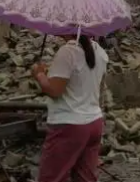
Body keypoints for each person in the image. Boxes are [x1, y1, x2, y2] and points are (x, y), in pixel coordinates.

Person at [32, 33, 109, 182]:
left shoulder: (68, 51)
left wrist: (39, 75)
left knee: (52, 177)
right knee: (85, 178)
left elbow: (55, 91)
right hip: (93, 122)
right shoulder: (100, 51)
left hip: (69, 124)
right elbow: (96, 89)